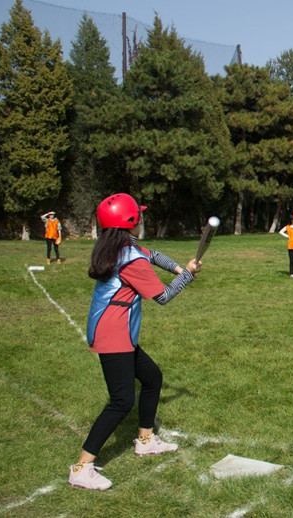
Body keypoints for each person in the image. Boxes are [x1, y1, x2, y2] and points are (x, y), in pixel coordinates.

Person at [68, 193, 201, 490]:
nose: (141, 220)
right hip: (113, 335)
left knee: (152, 378)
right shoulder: (131, 260)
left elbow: (153, 254)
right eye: (138, 216)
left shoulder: (117, 246)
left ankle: (145, 440)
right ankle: (81, 467)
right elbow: (163, 296)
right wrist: (188, 276)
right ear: (130, 222)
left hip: (116, 331)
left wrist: (179, 269)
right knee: (121, 401)